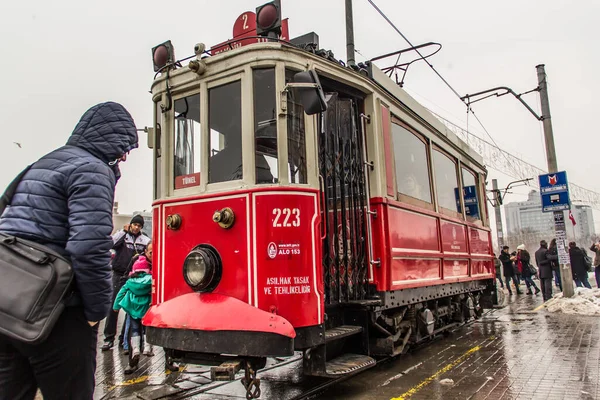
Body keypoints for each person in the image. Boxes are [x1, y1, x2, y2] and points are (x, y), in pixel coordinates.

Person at [0, 102, 138, 399]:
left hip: (7, 307)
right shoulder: (94, 169)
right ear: (112, 141)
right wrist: (96, 311)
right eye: (124, 148)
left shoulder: (41, 163)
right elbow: (89, 247)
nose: (124, 156)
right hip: (58, 310)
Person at [101, 215, 151, 351]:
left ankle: (124, 340)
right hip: (118, 275)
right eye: (134, 224)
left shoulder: (144, 240)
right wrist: (123, 232)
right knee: (113, 306)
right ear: (130, 224)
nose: (136, 227)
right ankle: (108, 338)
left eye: (139, 226)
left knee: (131, 309)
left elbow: (149, 253)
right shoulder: (122, 235)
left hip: (133, 277)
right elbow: (111, 244)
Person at [113, 245, 153, 374]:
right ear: (146, 252)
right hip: (147, 305)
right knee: (142, 329)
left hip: (133, 307)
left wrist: (117, 305)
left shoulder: (131, 280)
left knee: (134, 330)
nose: (153, 254)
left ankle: (136, 350)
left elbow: (123, 288)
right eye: (151, 252)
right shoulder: (140, 265)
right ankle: (140, 354)